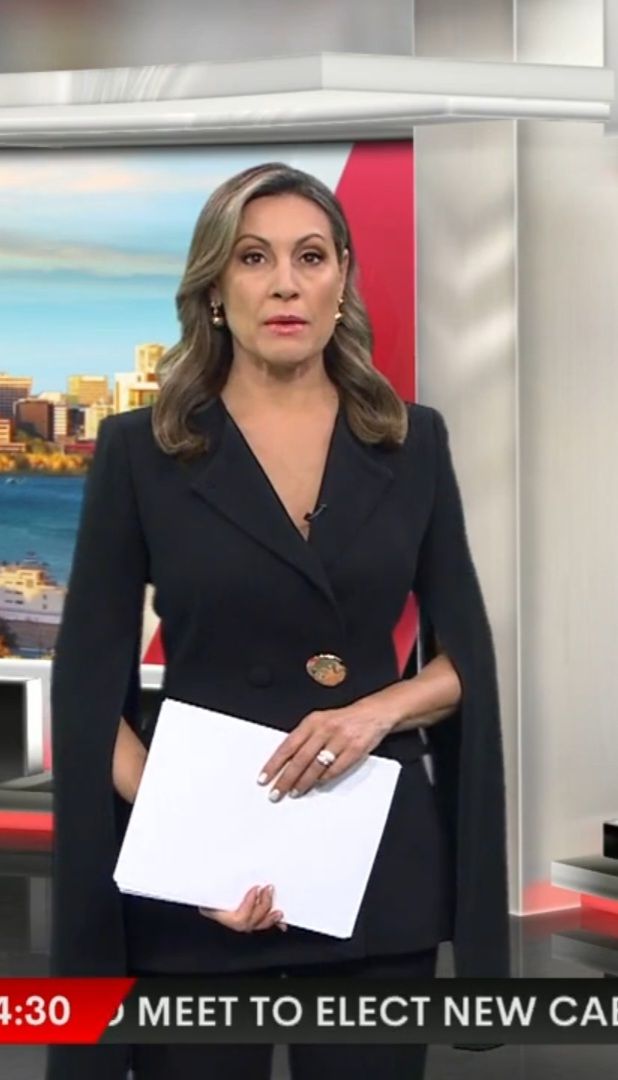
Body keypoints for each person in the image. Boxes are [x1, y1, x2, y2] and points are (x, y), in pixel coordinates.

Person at [46, 162, 510, 1080]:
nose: (286, 283)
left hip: (370, 868)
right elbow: (88, 688)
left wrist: (375, 712)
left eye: (311, 257)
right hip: (200, 888)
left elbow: (465, 659)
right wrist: (196, 851)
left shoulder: (412, 441)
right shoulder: (142, 451)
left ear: (342, 280)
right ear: (216, 289)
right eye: (254, 258)